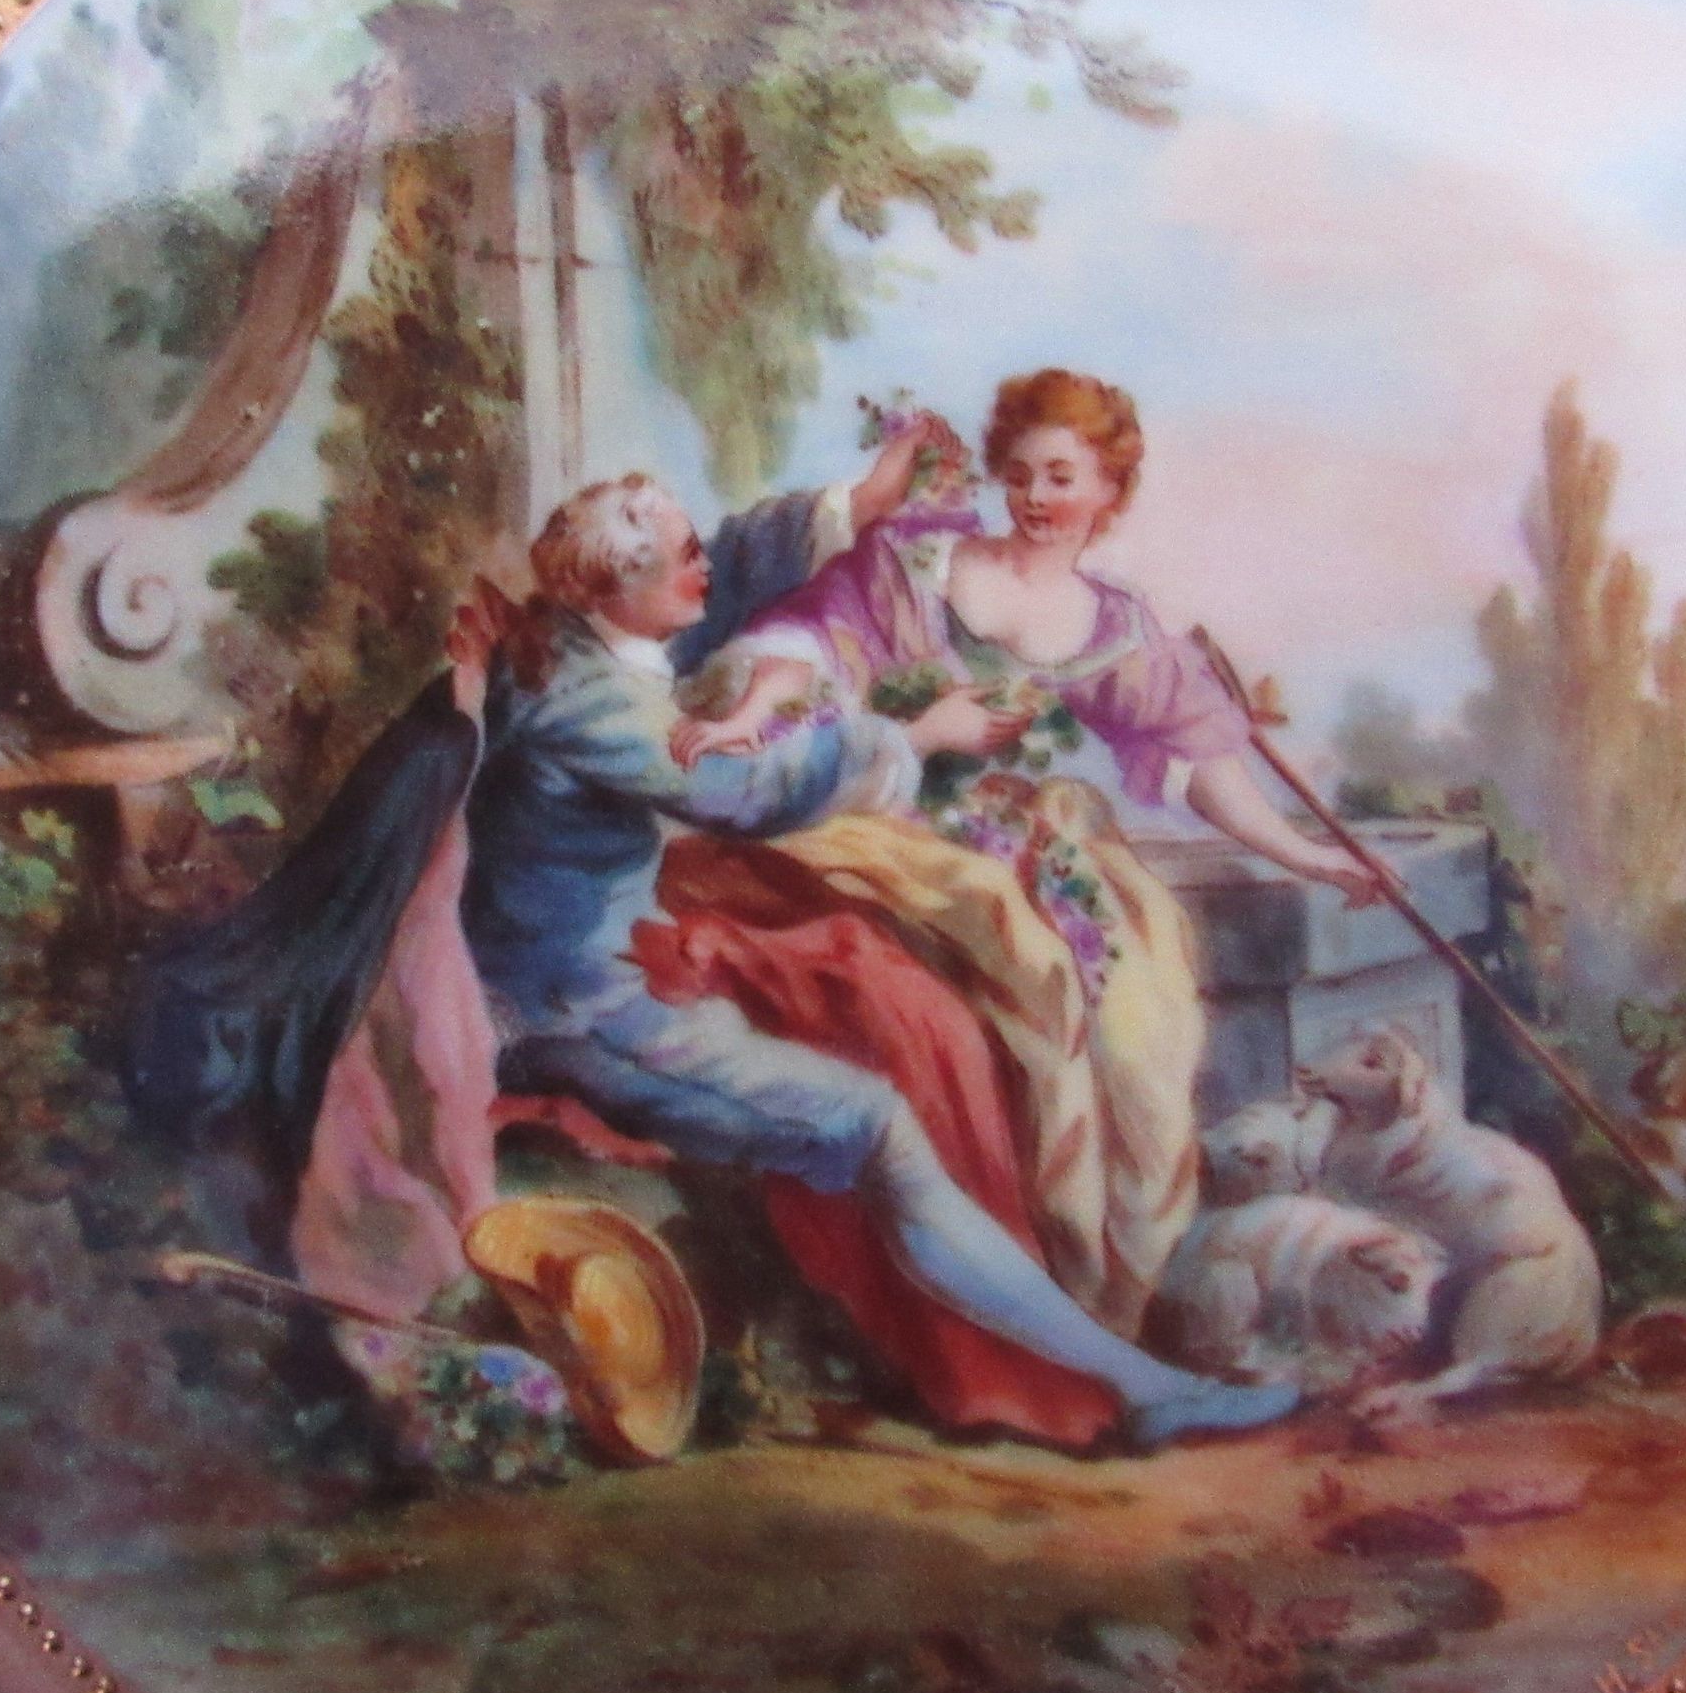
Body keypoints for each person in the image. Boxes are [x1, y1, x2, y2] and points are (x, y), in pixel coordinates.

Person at [127, 448, 1309, 1450]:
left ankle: (1130, 1380)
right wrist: (912, 737)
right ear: (620, 585)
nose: (706, 567)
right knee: (879, 1123)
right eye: (681, 557)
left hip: (570, 973)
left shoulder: (577, 643)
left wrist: (857, 502)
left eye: (696, 549)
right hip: (578, 1012)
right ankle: (1137, 1390)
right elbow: (744, 790)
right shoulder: (588, 701)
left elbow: (729, 589)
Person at [659, 369, 1382, 1334]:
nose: (1036, 498)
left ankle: (1122, 1292)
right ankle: (1056, 1270)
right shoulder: (918, 564)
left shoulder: (1114, 626)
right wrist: (770, 714)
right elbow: (807, 648)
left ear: (1110, 492)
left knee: (1140, 1004)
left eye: (1062, 478)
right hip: (882, 809)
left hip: (998, 824)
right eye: (1023, 475)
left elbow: (1203, 759)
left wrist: (1306, 856)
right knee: (1030, 963)